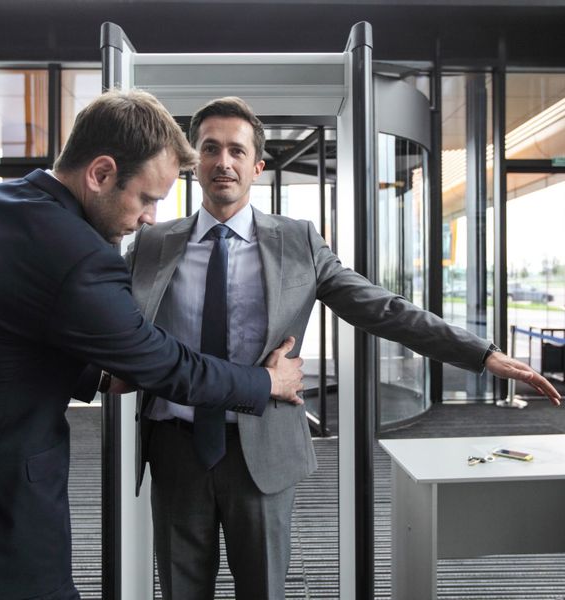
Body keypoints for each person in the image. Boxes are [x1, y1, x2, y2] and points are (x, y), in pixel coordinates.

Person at [127, 95, 563, 600]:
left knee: (263, 589)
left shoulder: (297, 241)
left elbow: (384, 308)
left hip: (263, 447)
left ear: (258, 165)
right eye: (210, 149)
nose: (223, 162)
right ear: (194, 161)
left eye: (236, 151)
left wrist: (482, 354)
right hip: (177, 446)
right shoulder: (152, 244)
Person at [0, 90, 305, 600]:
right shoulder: (82, 257)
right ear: (101, 174)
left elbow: (9, 323)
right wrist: (267, 381)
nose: (149, 218)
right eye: (147, 198)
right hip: (1, 500)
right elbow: (168, 365)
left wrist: (99, 375)